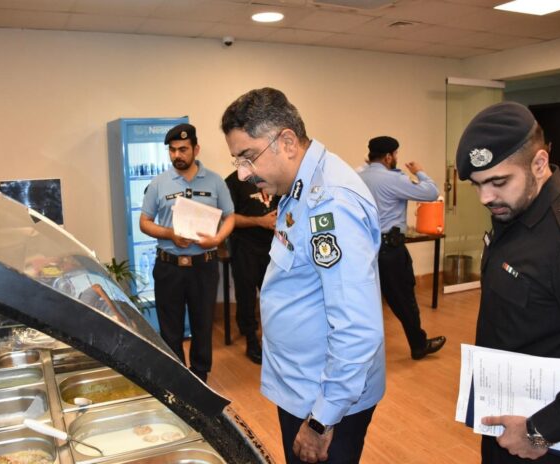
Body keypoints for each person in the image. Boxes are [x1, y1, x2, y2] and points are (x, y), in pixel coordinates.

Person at [221, 88, 385, 464]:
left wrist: (320, 422)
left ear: (287, 142)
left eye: (248, 157)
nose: (243, 173)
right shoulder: (298, 186)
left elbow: (358, 330)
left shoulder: (331, 204)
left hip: (325, 401)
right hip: (305, 385)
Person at [455, 101, 560, 463]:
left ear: (539, 164)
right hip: (509, 420)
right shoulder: (513, 213)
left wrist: (539, 430)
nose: (485, 197)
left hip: (552, 440)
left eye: (498, 182)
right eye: (477, 185)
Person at [140, 123, 235, 383]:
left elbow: (230, 217)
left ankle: (200, 376)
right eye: (172, 150)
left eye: (183, 149)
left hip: (203, 266)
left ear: (196, 149)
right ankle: (178, 377)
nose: (177, 155)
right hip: (169, 266)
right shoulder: (159, 183)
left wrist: (217, 238)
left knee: (203, 324)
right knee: (169, 327)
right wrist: (170, 234)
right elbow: (144, 222)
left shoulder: (215, 181)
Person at [359, 136, 446, 360]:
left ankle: (365, 352)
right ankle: (418, 345)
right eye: (396, 154)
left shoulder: (359, 176)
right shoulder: (391, 179)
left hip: (367, 249)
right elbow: (431, 192)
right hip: (390, 250)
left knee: (369, 301)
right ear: (388, 157)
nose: (397, 158)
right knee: (404, 299)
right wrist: (420, 172)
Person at [224, 169, 279, 364]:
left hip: (274, 247)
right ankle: (251, 340)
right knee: (246, 296)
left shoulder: (274, 175)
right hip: (245, 247)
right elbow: (228, 218)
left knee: (275, 296)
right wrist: (260, 221)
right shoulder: (232, 182)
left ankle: (276, 340)